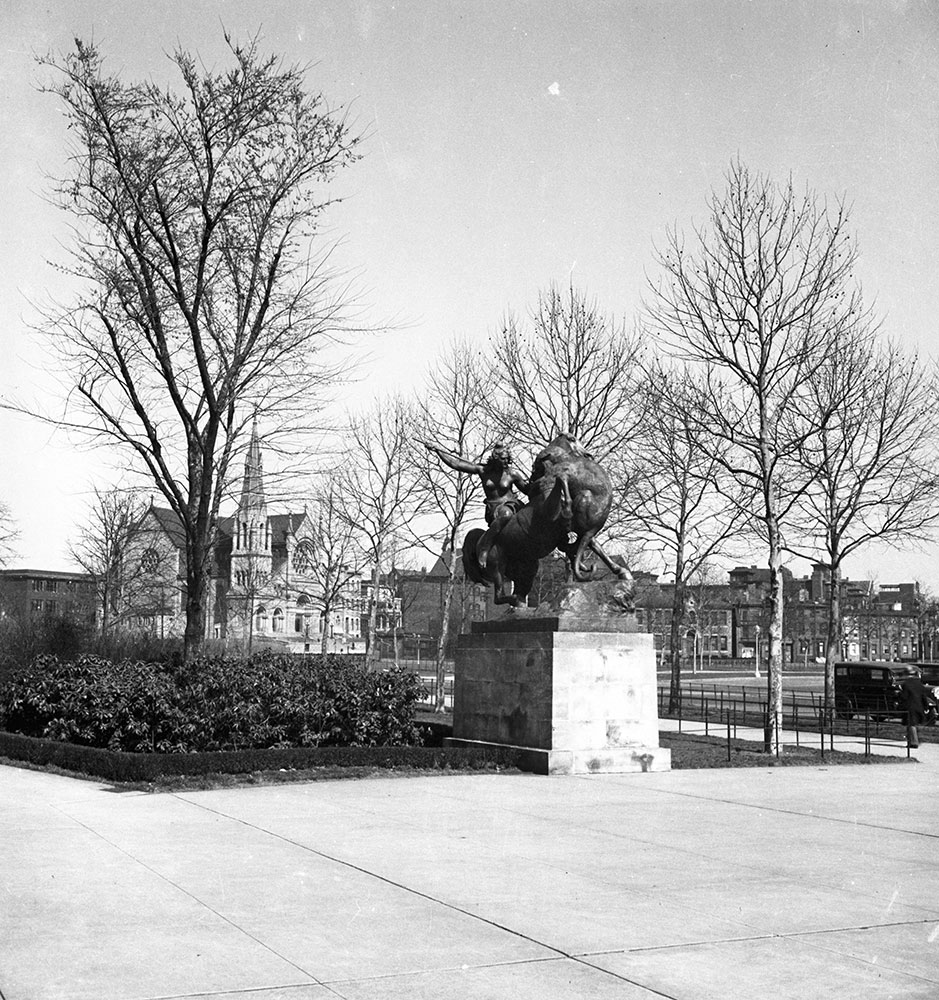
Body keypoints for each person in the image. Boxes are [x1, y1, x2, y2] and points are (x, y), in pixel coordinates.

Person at [423, 440, 530, 569]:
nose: (506, 462)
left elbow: (527, 489)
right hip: (494, 508)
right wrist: (438, 451)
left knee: (508, 514)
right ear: (496, 459)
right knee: (503, 514)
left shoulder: (512, 474)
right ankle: (485, 548)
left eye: (507, 459)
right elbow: (456, 464)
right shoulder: (483, 470)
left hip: (511, 505)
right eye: (503, 459)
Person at [897, 666, 938, 749]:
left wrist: (899, 694)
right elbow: (923, 696)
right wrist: (926, 706)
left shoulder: (906, 684)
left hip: (910, 706)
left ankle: (914, 742)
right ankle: (911, 741)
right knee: (912, 724)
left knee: (911, 724)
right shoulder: (919, 683)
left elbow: (904, 696)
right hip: (919, 706)